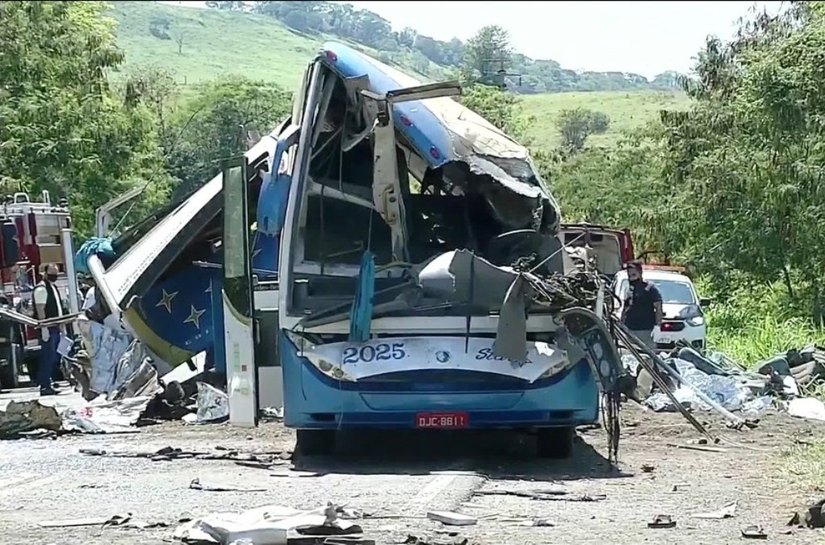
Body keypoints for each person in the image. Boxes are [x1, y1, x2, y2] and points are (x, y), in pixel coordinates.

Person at [33, 263, 65, 396]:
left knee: (53, 357)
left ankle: (48, 382)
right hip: (48, 329)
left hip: (55, 328)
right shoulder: (41, 289)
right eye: (51, 273)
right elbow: (41, 310)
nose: (54, 276)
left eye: (56, 274)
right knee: (47, 357)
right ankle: (44, 385)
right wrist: (44, 328)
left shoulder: (52, 287)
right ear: (45, 274)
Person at [621, 260, 663, 349]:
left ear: (640, 273)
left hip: (645, 329)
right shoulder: (629, 289)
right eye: (629, 276)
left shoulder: (649, 288)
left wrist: (658, 325)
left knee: (647, 357)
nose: (631, 278)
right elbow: (625, 308)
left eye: (634, 275)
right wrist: (622, 324)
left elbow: (658, 306)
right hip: (630, 329)